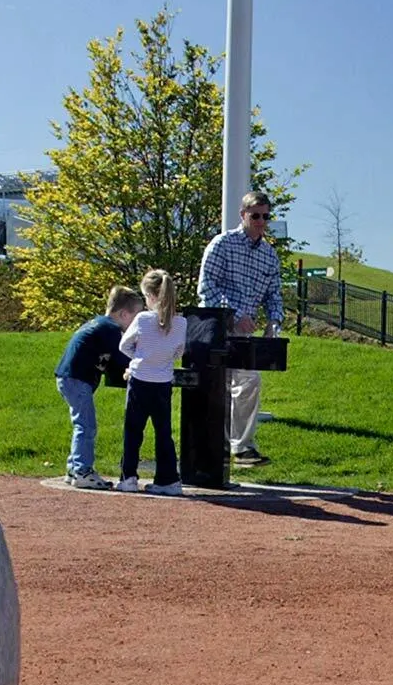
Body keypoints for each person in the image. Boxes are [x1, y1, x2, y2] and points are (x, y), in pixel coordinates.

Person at [196, 189, 284, 465]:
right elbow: (207, 285)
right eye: (255, 215)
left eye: (265, 216)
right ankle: (213, 447)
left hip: (244, 333)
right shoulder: (222, 244)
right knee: (215, 386)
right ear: (243, 215)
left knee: (249, 381)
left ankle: (241, 446)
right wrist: (233, 315)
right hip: (213, 328)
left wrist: (274, 321)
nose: (260, 221)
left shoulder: (269, 256)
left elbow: (274, 294)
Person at [54, 286, 143, 489]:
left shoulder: (98, 324)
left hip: (69, 377)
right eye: (135, 317)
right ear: (123, 314)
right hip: (77, 378)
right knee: (86, 425)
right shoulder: (111, 329)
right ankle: (83, 471)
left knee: (82, 423)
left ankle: (74, 466)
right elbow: (123, 357)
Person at [117, 269, 191, 494]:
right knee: (163, 432)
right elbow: (179, 352)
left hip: (140, 380)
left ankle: (128, 477)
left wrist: (139, 358)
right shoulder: (180, 323)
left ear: (150, 295)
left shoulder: (143, 319)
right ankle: (168, 480)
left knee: (133, 430)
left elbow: (124, 345)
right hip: (163, 382)